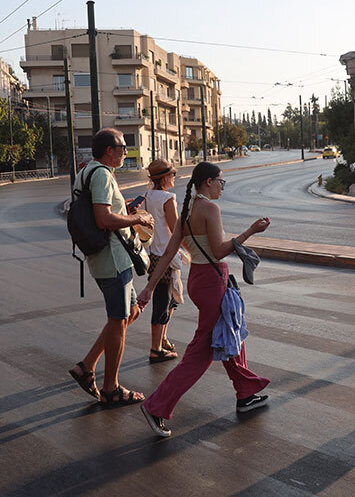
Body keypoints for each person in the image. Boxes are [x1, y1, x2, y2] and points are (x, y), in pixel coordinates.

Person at [137, 162, 271, 437]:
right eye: (221, 181)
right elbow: (221, 251)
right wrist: (250, 232)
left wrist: (149, 287)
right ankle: (156, 406)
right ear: (208, 182)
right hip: (213, 280)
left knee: (231, 334)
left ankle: (246, 393)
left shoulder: (187, 209)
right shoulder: (210, 208)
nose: (223, 186)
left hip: (199, 278)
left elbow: (171, 250)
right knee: (201, 353)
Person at [67, 128, 155, 405]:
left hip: (105, 256)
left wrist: (125, 208)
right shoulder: (103, 175)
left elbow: (101, 212)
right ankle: (111, 389)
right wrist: (137, 219)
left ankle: (87, 366)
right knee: (118, 320)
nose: (125, 152)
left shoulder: (87, 172)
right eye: (122, 147)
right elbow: (104, 219)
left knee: (130, 312)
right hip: (113, 259)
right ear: (109, 150)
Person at [142, 158, 186, 364]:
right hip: (166, 254)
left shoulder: (148, 195)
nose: (174, 177)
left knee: (170, 299)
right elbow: (175, 229)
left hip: (153, 252)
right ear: (165, 178)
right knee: (163, 300)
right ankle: (155, 348)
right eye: (173, 174)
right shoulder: (168, 198)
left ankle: (162, 339)